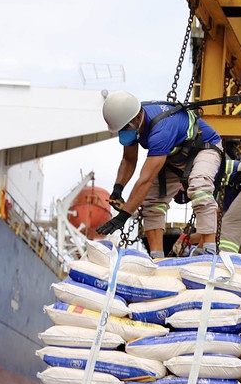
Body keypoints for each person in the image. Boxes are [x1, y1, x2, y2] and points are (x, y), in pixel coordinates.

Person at [95, 91, 223, 258]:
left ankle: (208, 248)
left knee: (199, 187)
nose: (124, 132)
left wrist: (123, 215)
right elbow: (128, 159)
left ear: (138, 116)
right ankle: (157, 258)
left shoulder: (161, 130)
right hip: (174, 154)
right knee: (152, 201)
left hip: (204, 148)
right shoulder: (133, 122)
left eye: (125, 128)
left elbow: (146, 179)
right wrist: (118, 189)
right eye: (120, 130)